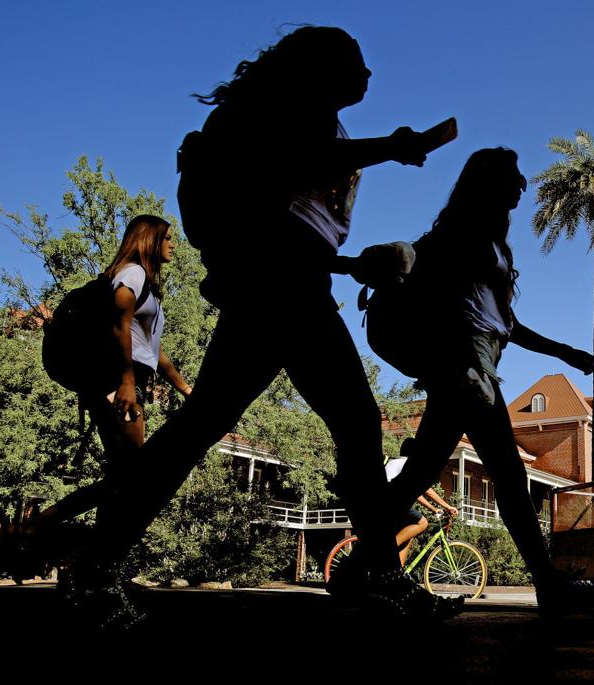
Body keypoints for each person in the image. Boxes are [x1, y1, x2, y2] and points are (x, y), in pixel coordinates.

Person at [64, 26, 451, 619]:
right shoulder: (288, 112)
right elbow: (295, 175)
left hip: (291, 282)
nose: (369, 75)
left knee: (210, 422)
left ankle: (95, 565)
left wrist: (352, 264)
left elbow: (297, 226)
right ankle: (377, 576)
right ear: (319, 69)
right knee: (349, 420)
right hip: (281, 287)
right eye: (356, 63)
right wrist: (393, 145)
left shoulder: (312, 119)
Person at [377, 147, 594, 616]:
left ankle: (365, 562)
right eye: (511, 175)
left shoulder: (494, 245)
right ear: (488, 183)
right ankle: (549, 585)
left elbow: (507, 323)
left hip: (474, 363)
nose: (521, 183)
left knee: (423, 473)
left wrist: (563, 352)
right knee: (507, 472)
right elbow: (446, 298)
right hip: (465, 363)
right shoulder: (461, 236)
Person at [33, 215, 191, 532]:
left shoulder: (146, 286)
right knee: (134, 476)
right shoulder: (132, 272)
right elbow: (121, 319)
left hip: (123, 381)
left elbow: (153, 350)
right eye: (168, 238)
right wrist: (127, 382)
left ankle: (62, 536)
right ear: (150, 241)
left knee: (124, 477)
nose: (174, 244)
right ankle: (47, 523)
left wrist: (185, 389)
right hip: (117, 382)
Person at [385, 442, 458, 567]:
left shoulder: (395, 462)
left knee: (408, 534)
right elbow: (426, 490)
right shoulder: (408, 465)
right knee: (422, 523)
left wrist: (433, 508)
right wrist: (448, 506)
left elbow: (416, 492)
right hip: (391, 503)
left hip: (387, 503)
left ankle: (398, 572)